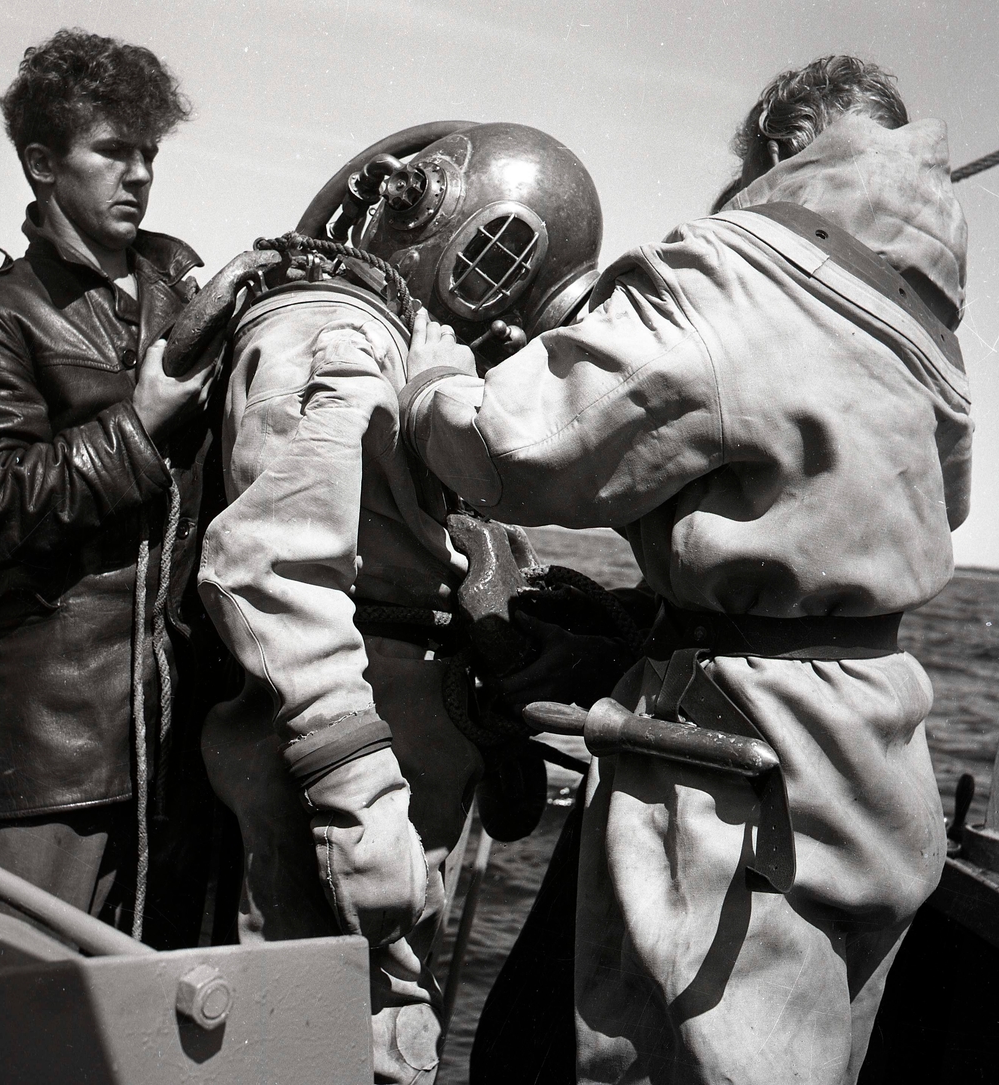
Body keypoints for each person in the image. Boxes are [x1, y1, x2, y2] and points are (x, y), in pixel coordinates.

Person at [400, 57, 970, 1084]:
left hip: (738, 768)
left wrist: (435, 373)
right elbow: (914, 514)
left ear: (781, 143)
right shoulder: (929, 321)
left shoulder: (739, 268)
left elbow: (515, 448)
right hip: (880, 764)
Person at [187, 123, 605, 1082]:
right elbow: (275, 573)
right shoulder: (342, 339)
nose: (508, 337)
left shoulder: (385, 348)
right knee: (324, 1049)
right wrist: (363, 817)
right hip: (350, 815)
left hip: (388, 801)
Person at [0, 29, 219, 942]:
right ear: (43, 164)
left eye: (149, 151)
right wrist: (140, 424)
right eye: (113, 151)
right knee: (27, 991)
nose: (140, 175)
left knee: (167, 999)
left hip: (184, 747)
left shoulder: (184, 295)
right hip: (51, 762)